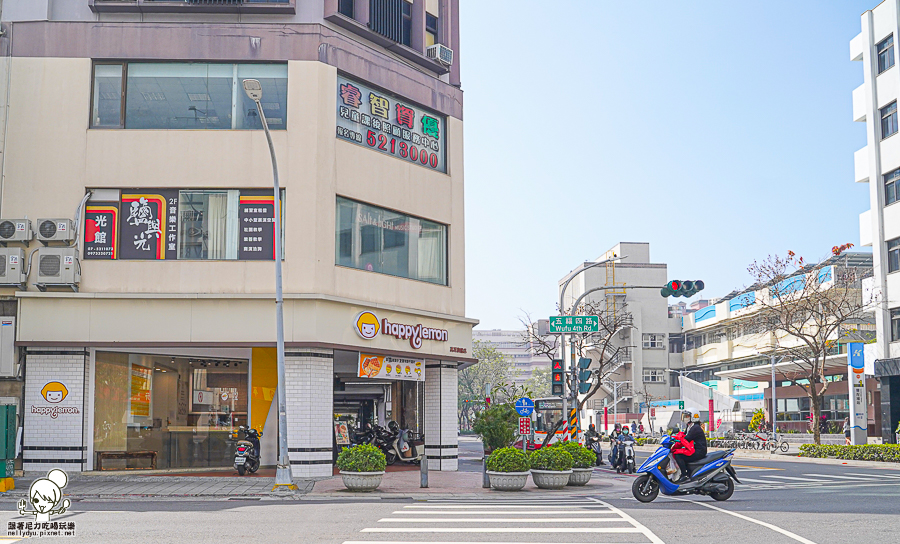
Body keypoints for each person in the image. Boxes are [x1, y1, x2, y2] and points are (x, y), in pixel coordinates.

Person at [672, 408, 707, 484]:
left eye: (687, 416)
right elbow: (684, 435)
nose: (685, 418)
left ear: (693, 417)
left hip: (699, 451)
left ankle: (685, 475)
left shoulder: (695, 428)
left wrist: (677, 440)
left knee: (678, 455)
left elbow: (686, 438)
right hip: (694, 449)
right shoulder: (690, 426)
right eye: (685, 416)